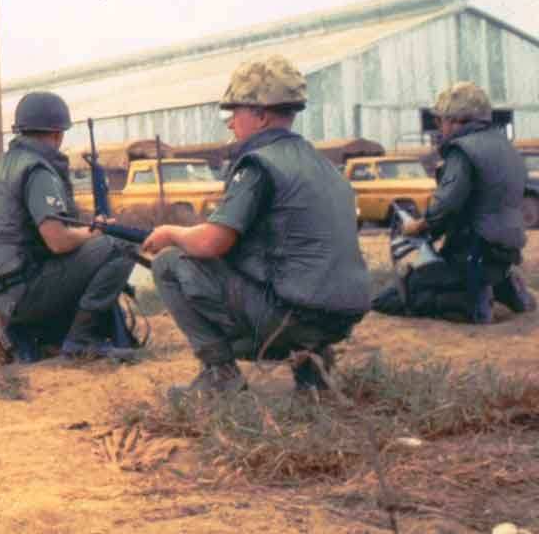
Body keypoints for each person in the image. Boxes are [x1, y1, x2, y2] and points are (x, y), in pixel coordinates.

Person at [142, 54, 370, 396]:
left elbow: (212, 243)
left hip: (289, 319)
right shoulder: (324, 166)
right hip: (339, 320)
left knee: (168, 264)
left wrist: (170, 232)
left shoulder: (259, 164)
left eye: (235, 113)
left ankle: (220, 375)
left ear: (261, 115)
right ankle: (312, 367)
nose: (230, 124)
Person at [0, 91, 141, 362]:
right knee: (121, 246)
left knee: (100, 248)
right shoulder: (37, 169)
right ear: (57, 133)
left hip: (6, 295)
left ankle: (63, 336)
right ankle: (81, 340)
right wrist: (96, 231)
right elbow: (58, 241)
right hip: (25, 293)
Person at [372, 82, 534, 322]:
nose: (439, 128)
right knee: (472, 272)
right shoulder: (507, 148)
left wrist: (417, 226)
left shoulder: (463, 151)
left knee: (390, 298)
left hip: (471, 254)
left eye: (440, 121)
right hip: (504, 255)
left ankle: (470, 303)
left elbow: (445, 207)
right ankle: (505, 286)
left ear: (456, 120)